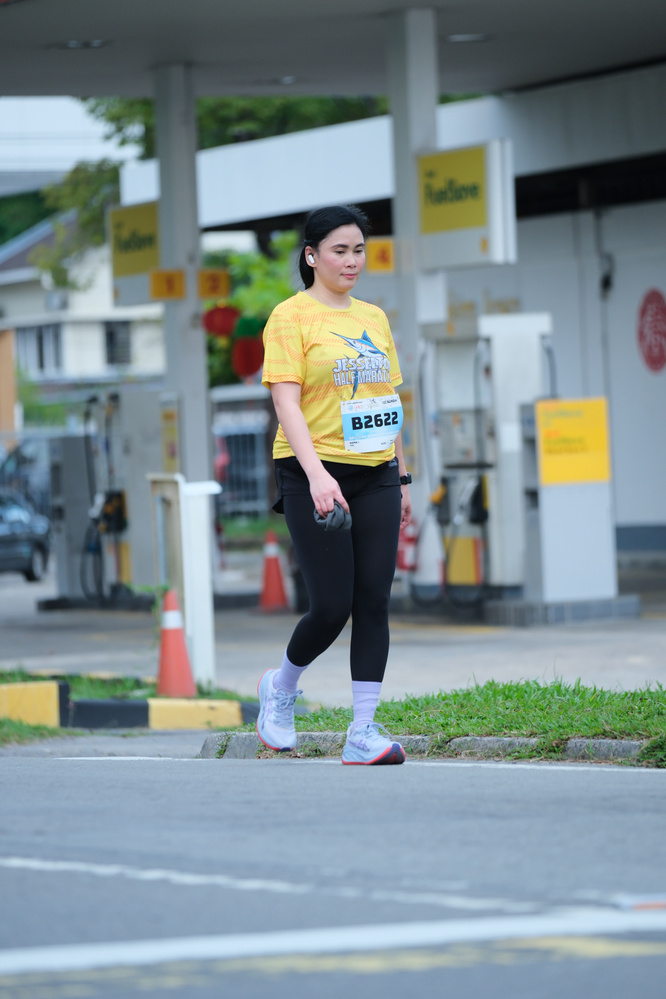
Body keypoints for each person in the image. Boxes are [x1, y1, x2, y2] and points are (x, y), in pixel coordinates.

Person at [257, 205, 412, 765]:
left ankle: (363, 731)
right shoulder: (290, 317)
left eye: (358, 250)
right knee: (330, 606)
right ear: (312, 255)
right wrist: (318, 476)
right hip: (312, 471)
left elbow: (387, 401)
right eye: (339, 250)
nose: (352, 261)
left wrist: (403, 475)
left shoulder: (374, 317)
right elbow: (286, 405)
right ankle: (281, 689)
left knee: (374, 600)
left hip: (376, 472)